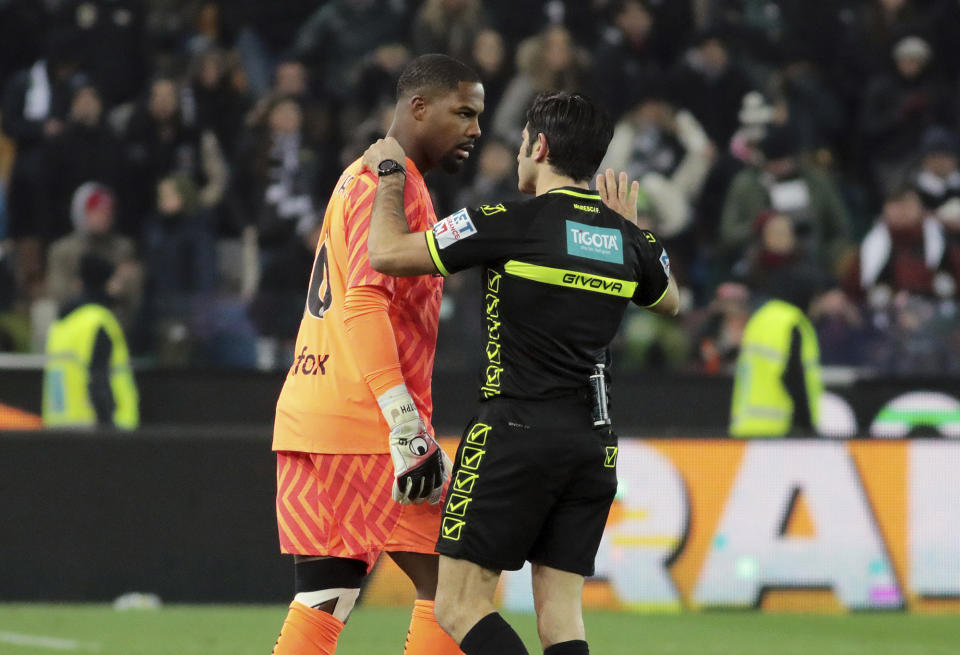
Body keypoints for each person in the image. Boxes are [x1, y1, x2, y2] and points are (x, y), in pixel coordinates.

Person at [362, 91, 679, 655]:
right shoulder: (624, 239)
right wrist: (633, 232)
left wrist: (389, 173)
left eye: (520, 145)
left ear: (539, 145)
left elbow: (386, 253)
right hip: (593, 446)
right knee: (561, 616)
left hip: (514, 433)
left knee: (460, 604)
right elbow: (669, 299)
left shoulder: (507, 221)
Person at [268, 54, 484, 655]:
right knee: (455, 582)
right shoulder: (394, 189)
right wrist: (403, 420)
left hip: (311, 413)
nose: (476, 129)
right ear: (419, 107)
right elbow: (364, 303)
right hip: (368, 424)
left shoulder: (358, 177)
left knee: (326, 592)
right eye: (463, 112)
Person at [42, 254, 139, 429]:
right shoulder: (98, 322)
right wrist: (109, 425)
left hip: (59, 428)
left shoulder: (61, 324)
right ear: (106, 283)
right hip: (96, 430)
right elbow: (99, 380)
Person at [729, 267, 825, 438]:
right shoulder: (792, 322)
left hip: (746, 427)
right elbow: (794, 376)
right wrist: (807, 425)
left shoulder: (759, 319)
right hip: (779, 432)